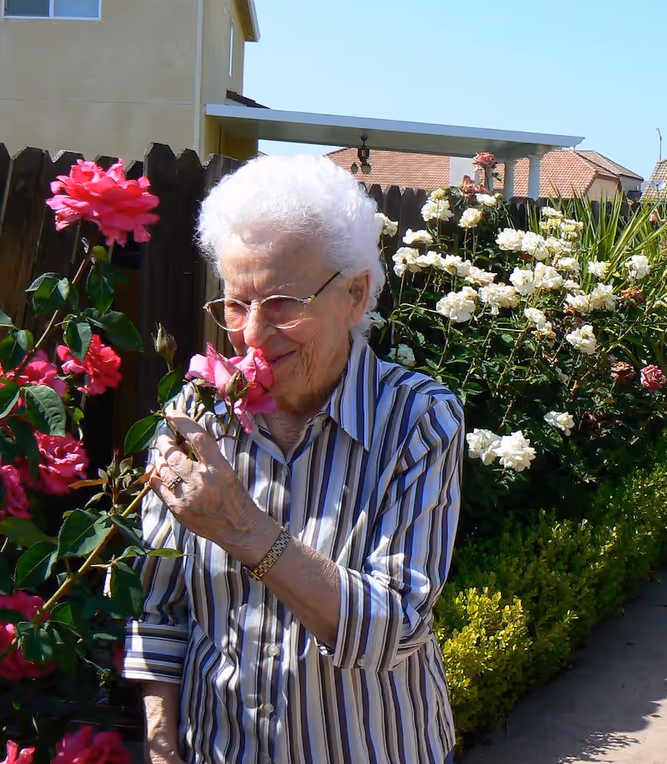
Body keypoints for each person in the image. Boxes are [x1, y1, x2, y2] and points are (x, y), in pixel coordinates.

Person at [122, 154, 465, 764]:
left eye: (281, 302)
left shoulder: (418, 420)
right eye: (234, 303)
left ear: (355, 294)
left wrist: (243, 528)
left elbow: (395, 626)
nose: (252, 334)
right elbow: (160, 607)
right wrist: (161, 746)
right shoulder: (195, 418)